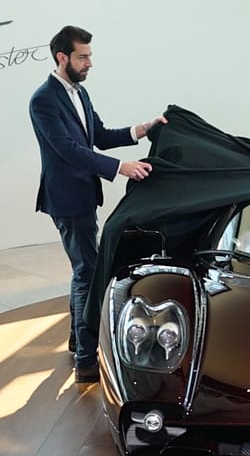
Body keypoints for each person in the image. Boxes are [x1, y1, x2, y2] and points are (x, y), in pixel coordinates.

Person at [30, 25, 166, 384]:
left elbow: (99, 137)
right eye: (83, 57)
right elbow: (68, 150)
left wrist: (143, 129)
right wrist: (121, 168)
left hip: (84, 195)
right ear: (62, 57)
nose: (89, 63)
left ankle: (78, 341)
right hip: (66, 198)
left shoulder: (80, 93)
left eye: (89, 56)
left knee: (83, 269)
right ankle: (86, 362)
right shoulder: (43, 100)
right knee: (87, 274)